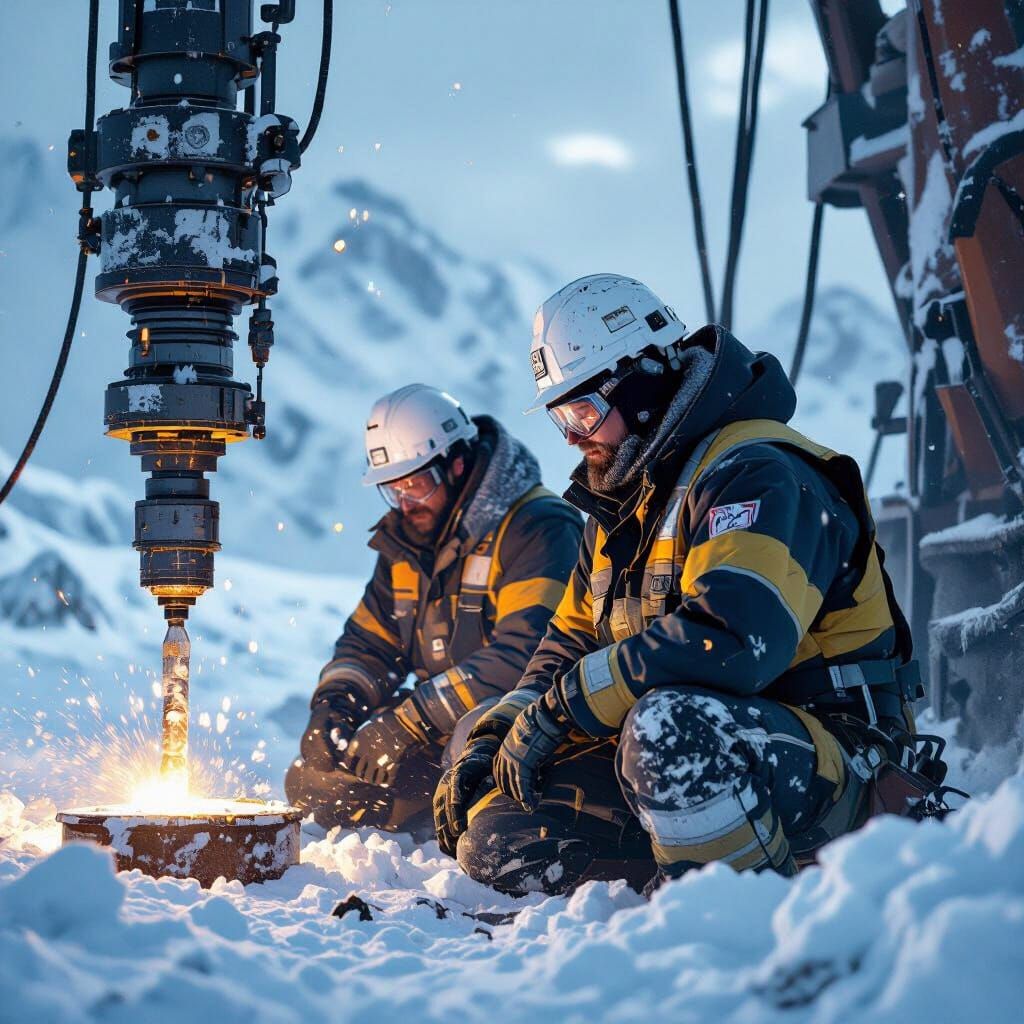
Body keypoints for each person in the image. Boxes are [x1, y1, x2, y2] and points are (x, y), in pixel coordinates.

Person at [435, 274, 921, 894]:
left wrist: (565, 705)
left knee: (671, 728)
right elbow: (564, 648)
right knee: (501, 828)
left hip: (832, 752)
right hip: (695, 749)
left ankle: (749, 919)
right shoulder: (622, 507)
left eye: (583, 411)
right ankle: (677, 876)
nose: (573, 435)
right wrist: (497, 732)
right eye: (561, 416)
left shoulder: (757, 474)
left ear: (642, 382)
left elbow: (734, 640)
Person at [285, 383, 582, 839]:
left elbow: (527, 656)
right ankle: (422, 817)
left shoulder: (537, 527)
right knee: (314, 780)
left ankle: (473, 828)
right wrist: (336, 705)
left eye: (416, 485)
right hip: (434, 735)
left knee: (472, 736)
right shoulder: (407, 540)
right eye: (392, 489)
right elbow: (369, 643)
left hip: (524, 732)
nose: (405, 502)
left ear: (457, 463)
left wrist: (406, 722)